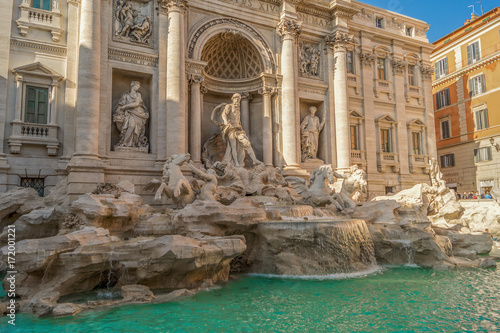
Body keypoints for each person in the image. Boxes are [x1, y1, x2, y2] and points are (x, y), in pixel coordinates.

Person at [211, 93, 262, 167]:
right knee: (233, 146)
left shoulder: (238, 110)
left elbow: (238, 121)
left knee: (247, 143)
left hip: (238, 129)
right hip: (231, 128)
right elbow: (223, 115)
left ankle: (254, 160)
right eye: (236, 99)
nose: (237, 100)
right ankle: (236, 163)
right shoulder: (229, 106)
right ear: (233, 99)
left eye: (238, 99)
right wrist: (225, 122)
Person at [113, 81, 149, 148]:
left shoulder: (138, 94)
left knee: (133, 127)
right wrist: (119, 109)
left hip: (138, 113)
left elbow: (136, 104)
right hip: (129, 113)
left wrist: (125, 106)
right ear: (132, 85)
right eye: (136, 86)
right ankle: (125, 142)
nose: (137, 88)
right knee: (130, 126)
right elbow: (121, 104)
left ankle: (130, 143)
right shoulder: (126, 95)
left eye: (138, 87)